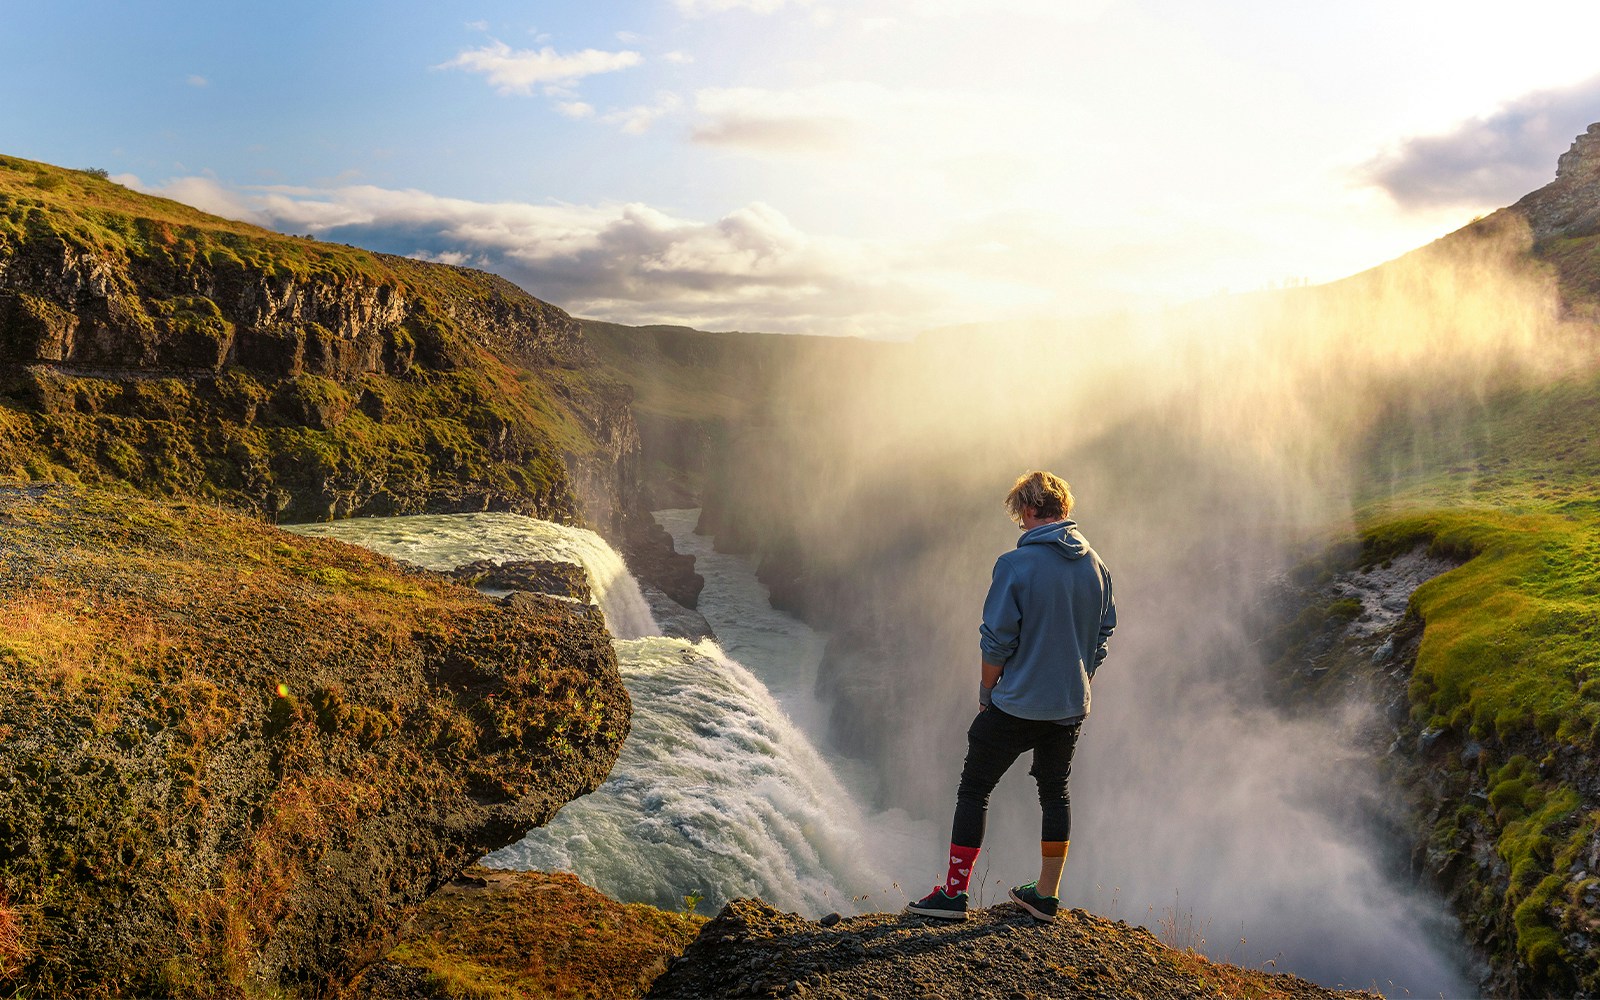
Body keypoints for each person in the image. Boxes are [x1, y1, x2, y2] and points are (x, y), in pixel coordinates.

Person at [906, 470, 1116, 923]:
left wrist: (987, 692)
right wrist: (1081, 678)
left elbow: (997, 640)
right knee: (1055, 793)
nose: (1019, 523)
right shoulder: (1097, 565)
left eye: (1020, 514)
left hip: (1017, 702)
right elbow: (1103, 634)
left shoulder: (1015, 565)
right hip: (1069, 705)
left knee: (975, 789)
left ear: (1029, 509)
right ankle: (1044, 895)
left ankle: (954, 896)